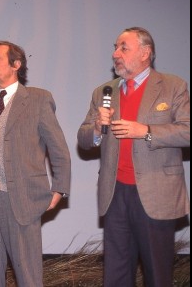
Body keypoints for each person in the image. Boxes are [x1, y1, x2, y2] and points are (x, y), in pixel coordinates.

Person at [77, 27, 190, 286]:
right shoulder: (103, 91)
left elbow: (187, 131)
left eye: (123, 48)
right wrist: (96, 128)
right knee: (115, 276)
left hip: (155, 193)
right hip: (115, 194)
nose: (115, 54)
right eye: (115, 48)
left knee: (157, 275)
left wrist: (147, 131)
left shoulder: (173, 86)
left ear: (145, 53)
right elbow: (83, 140)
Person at [0, 40, 71, 286]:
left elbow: (58, 148)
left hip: (22, 198)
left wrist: (59, 188)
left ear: (15, 64)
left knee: (28, 275)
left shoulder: (39, 100)